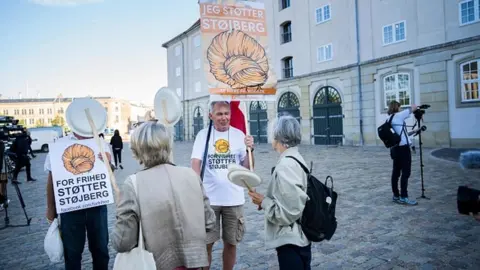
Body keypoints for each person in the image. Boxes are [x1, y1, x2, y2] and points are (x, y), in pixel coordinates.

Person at [111, 121, 216, 270]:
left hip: (156, 263)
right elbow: (210, 222)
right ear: (168, 145)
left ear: (137, 149)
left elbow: (123, 242)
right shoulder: (191, 175)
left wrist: (119, 214)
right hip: (193, 263)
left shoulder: (133, 184)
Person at [191, 101, 254, 270]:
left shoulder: (239, 135)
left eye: (226, 113)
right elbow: (196, 163)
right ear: (211, 116)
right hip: (209, 200)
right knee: (207, 244)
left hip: (234, 199)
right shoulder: (203, 136)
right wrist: (197, 187)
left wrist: (250, 150)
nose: (224, 117)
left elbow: (246, 167)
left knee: (231, 243)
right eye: (219, 114)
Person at [248, 115, 311, 269]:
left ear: (277, 137)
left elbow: (289, 212)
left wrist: (263, 202)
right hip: (300, 238)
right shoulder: (295, 157)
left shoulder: (286, 165)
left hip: (291, 240)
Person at [45, 132, 113, 270]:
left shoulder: (101, 143)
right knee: (72, 254)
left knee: (101, 250)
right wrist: (50, 208)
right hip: (70, 210)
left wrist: (109, 164)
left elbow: (110, 175)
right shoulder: (59, 144)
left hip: (97, 207)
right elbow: (52, 178)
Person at [387, 101, 421, 206]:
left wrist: (414, 131)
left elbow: (401, 134)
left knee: (396, 173)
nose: (401, 109)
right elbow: (413, 108)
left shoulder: (389, 119)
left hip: (395, 148)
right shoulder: (399, 115)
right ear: (396, 107)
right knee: (406, 173)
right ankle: (404, 197)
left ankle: (396, 195)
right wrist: (417, 106)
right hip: (403, 149)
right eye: (400, 107)